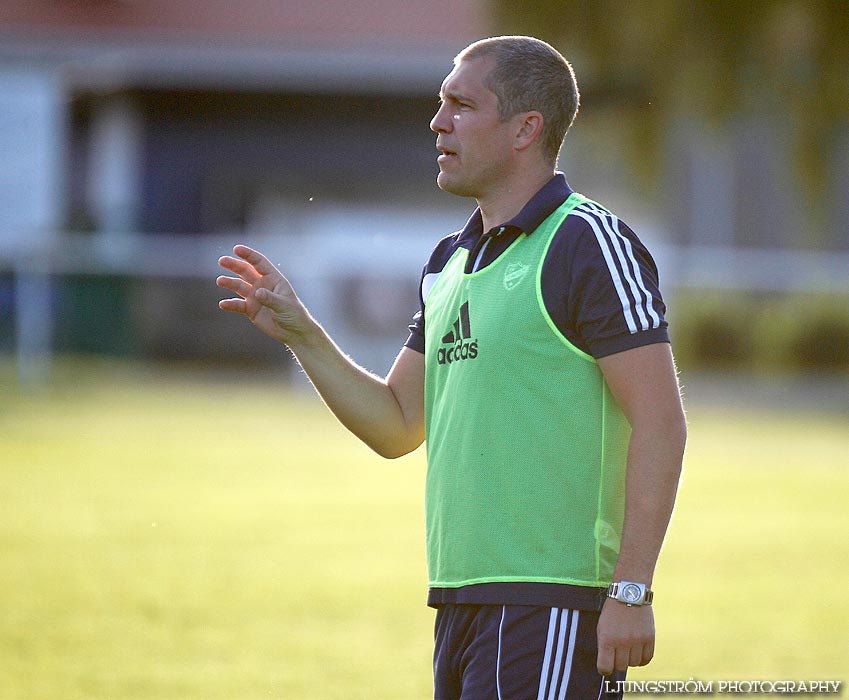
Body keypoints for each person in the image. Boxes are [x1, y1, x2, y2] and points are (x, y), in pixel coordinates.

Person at [217, 35, 686, 700]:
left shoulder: (585, 242)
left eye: (461, 105)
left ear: (525, 129)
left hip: (551, 601)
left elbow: (660, 422)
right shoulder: (448, 262)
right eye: (440, 104)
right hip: (460, 597)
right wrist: (304, 334)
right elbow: (397, 425)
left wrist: (632, 591)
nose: (438, 122)